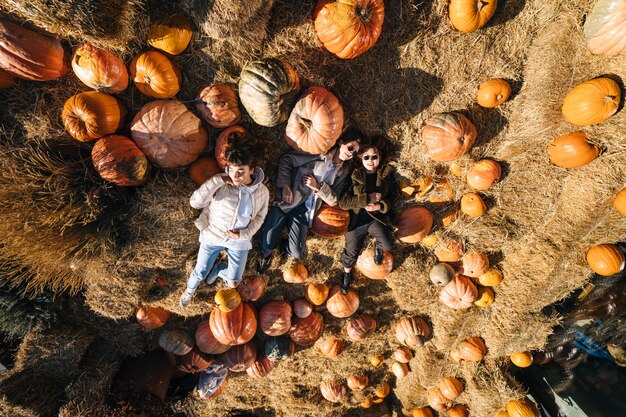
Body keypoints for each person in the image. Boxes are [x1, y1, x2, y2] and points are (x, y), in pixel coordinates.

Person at [256, 128, 364, 274]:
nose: (351, 153)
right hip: (289, 201)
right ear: (340, 142)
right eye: (351, 148)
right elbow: (287, 159)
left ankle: (284, 244)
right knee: (266, 247)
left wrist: (318, 187)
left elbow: (334, 200)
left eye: (355, 152)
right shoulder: (319, 153)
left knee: (297, 254)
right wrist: (285, 186)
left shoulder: (343, 171)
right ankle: (267, 253)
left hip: (306, 210)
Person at [180, 134, 269, 308]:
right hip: (213, 234)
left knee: (233, 283)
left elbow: (260, 217)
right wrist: (216, 181)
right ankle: (188, 292)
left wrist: (245, 234)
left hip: (238, 240)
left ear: (252, 169)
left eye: (241, 171)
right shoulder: (221, 182)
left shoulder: (262, 192)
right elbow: (195, 203)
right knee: (200, 271)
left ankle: (221, 269)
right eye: (231, 169)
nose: (234, 175)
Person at [338, 135, 398, 293]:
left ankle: (378, 248)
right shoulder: (354, 176)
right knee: (351, 252)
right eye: (366, 157)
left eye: (374, 157)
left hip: (375, 218)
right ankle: (346, 274)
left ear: (379, 157)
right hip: (357, 221)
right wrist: (365, 200)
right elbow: (343, 202)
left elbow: (392, 198)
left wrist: (380, 205)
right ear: (360, 158)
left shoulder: (385, 175)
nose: (370, 160)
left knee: (387, 244)